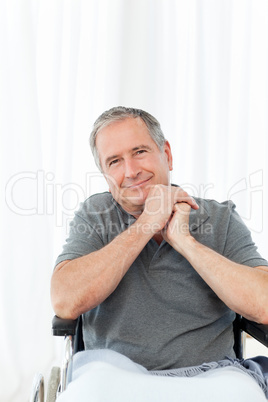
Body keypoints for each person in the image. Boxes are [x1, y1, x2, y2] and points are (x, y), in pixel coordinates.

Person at [51, 106, 268, 401]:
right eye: (115, 161)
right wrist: (146, 224)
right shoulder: (95, 216)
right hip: (112, 375)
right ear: (105, 174)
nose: (130, 171)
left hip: (212, 375)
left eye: (139, 151)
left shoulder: (219, 218)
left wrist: (185, 241)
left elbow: (264, 304)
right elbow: (65, 301)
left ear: (166, 153)